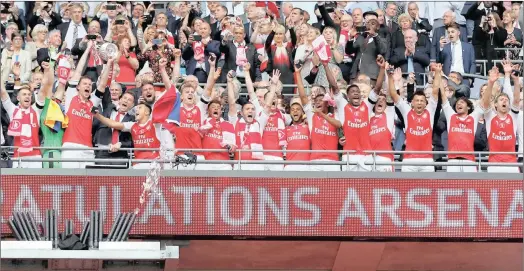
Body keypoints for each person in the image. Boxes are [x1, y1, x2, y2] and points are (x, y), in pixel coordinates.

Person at [53, 41, 111, 168]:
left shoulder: (93, 102)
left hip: (88, 149)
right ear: (78, 87)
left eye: (90, 85)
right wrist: (88, 49)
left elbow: (102, 84)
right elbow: (78, 71)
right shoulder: (71, 96)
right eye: (85, 84)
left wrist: (110, 62)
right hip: (70, 147)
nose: (88, 86)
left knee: (88, 185)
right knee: (69, 181)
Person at [388, 64, 439, 172]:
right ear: (412, 103)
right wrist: (389, 76)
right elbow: (393, 94)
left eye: (422, 101)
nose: (419, 103)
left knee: (428, 189)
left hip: (427, 160)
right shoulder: (407, 111)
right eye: (417, 100)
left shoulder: (430, 111)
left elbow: (435, 91)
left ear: (426, 103)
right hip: (409, 160)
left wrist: (438, 73)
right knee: (407, 188)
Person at [0, 61, 52, 168]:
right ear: (18, 98)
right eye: (24, 94)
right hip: (18, 156)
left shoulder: (36, 110)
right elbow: (3, 92)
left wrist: (46, 71)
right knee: (16, 185)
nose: (27, 96)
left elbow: (43, 90)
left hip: (35, 157)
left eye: (29, 94)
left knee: (35, 184)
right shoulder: (13, 110)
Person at [434, 64, 483, 172]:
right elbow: (443, 96)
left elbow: (485, 102)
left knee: (471, 189)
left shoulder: (473, 118)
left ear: (469, 106)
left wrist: (491, 82)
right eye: (457, 103)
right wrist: (438, 74)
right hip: (452, 161)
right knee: (453, 189)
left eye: (461, 102)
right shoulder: (451, 116)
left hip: (470, 161)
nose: (458, 105)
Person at [228, 70, 279, 170]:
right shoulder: (235, 122)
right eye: (247, 109)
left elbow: (268, 105)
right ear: (241, 113)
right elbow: (232, 104)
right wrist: (229, 82)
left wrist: (273, 85)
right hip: (240, 165)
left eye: (253, 109)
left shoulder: (259, 122)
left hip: (257, 167)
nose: (250, 111)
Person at [296, 60, 342, 171]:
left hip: (332, 162)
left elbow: (339, 125)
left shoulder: (335, 115)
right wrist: (297, 73)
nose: (318, 102)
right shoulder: (312, 116)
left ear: (327, 102)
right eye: (316, 101)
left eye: (321, 100)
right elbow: (303, 97)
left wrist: (322, 114)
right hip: (315, 162)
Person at [94, 103, 160, 169]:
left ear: (147, 112)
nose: (136, 110)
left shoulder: (154, 124)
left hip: (153, 163)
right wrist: (97, 115)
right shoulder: (132, 126)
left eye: (140, 108)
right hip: (137, 164)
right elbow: (112, 124)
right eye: (136, 108)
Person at [480, 66, 521, 173]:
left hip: (512, 164)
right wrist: (491, 82)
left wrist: (516, 81)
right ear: (496, 105)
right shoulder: (490, 117)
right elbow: (485, 101)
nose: (504, 101)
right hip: (494, 164)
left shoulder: (513, 116)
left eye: (506, 100)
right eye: (501, 99)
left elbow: (516, 100)